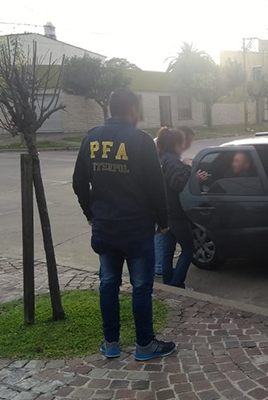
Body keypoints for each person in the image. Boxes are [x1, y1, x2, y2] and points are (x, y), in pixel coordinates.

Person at [73, 88, 176, 360]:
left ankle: (111, 344)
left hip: (105, 228)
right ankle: (144, 345)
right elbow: (156, 186)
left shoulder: (91, 138)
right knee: (141, 287)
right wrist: (163, 220)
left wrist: (90, 214)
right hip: (136, 230)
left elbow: (78, 182)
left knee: (108, 283)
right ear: (132, 110)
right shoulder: (141, 141)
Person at [154, 125, 196, 278]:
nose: (184, 146)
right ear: (176, 144)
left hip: (166, 212)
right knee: (188, 248)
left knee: (168, 251)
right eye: (182, 143)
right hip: (176, 213)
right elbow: (177, 184)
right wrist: (188, 168)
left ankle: (169, 282)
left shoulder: (161, 157)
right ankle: (177, 282)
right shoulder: (171, 160)